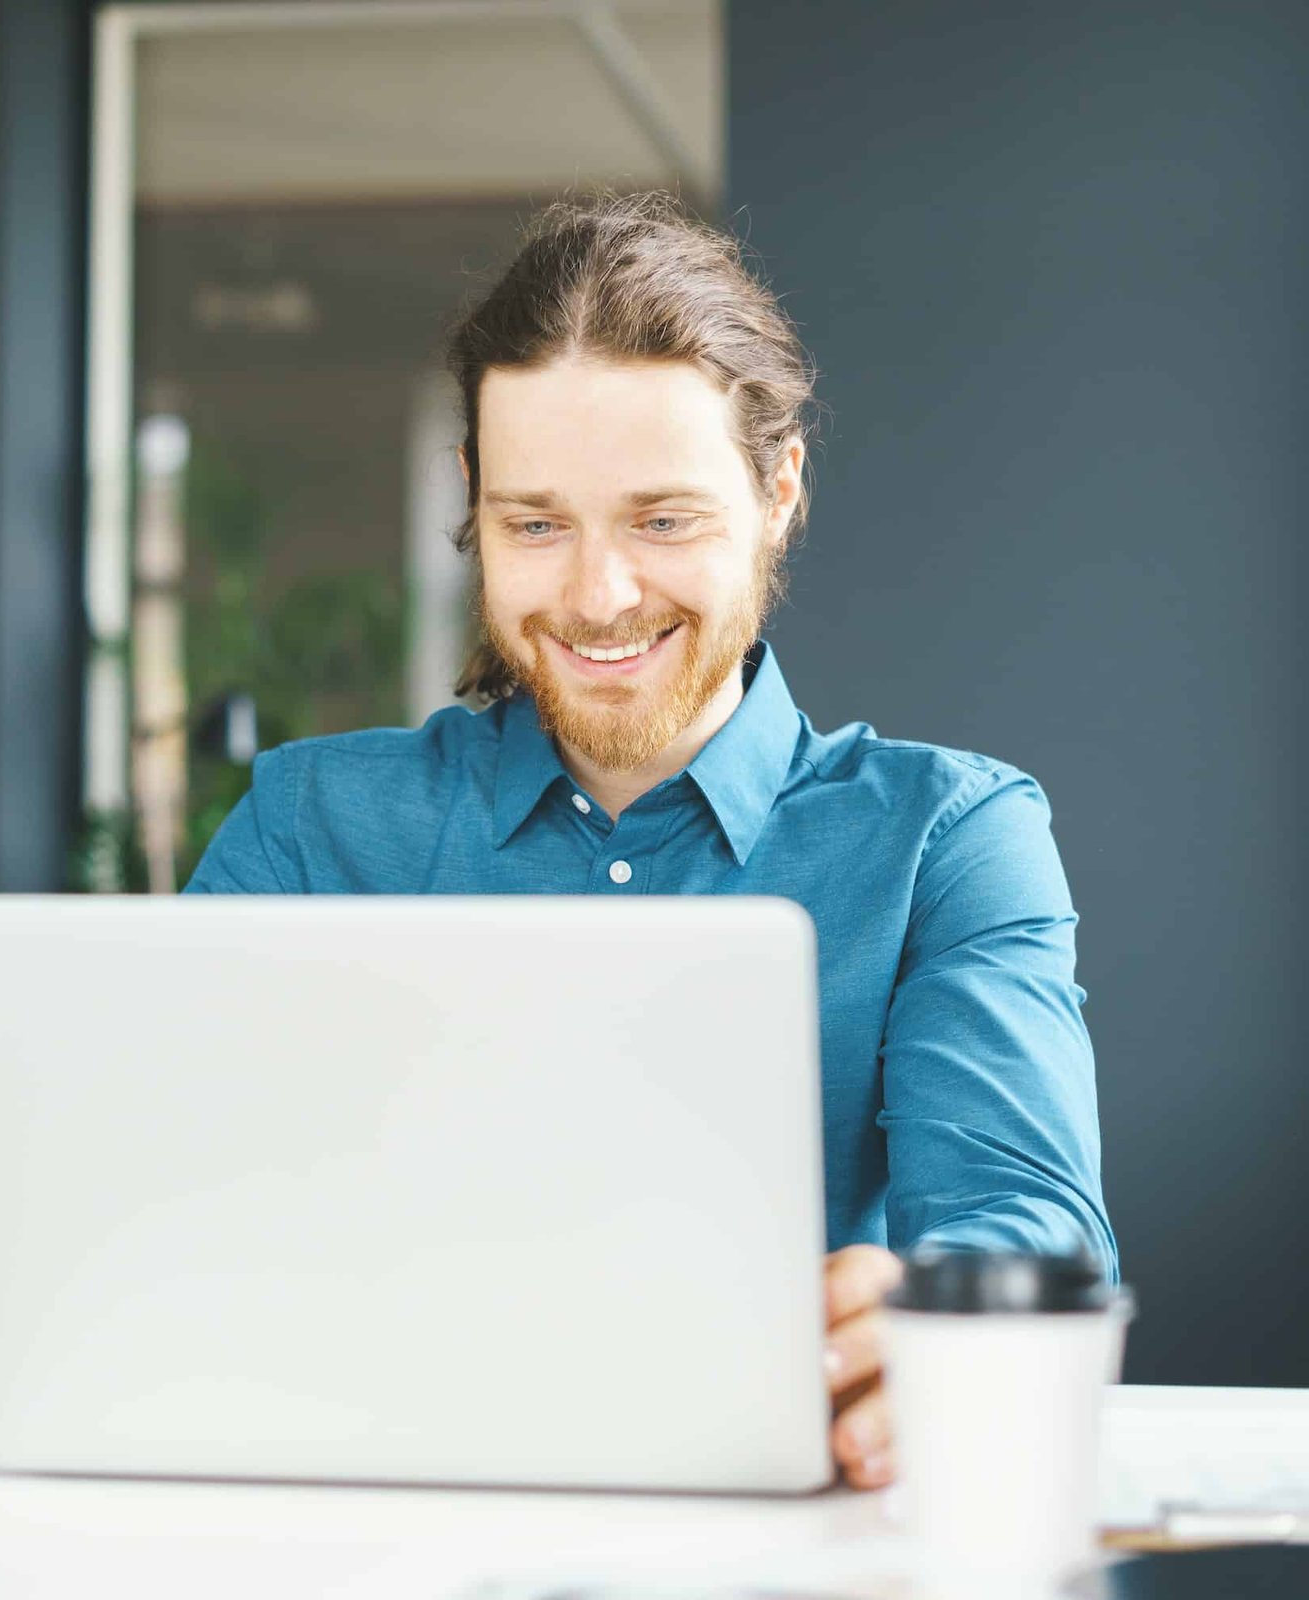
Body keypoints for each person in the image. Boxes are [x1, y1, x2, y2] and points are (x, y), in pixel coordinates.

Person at [185, 191, 1117, 1490]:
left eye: (663, 518)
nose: (598, 595)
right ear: (473, 499)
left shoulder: (946, 841)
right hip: (367, 1506)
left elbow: (1024, 1223)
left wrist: (938, 1322)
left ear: (777, 487)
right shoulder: (308, 827)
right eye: (537, 522)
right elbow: (160, 1208)